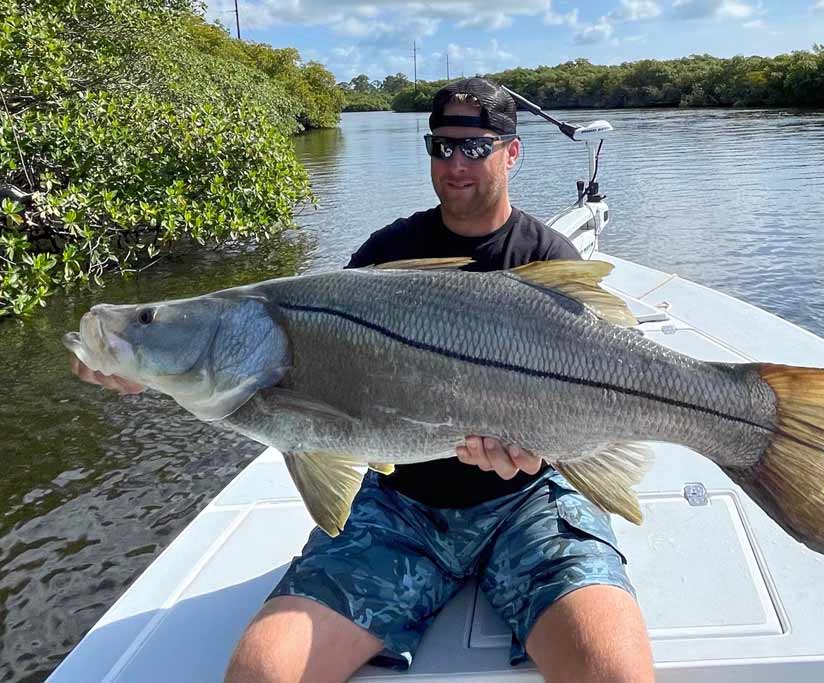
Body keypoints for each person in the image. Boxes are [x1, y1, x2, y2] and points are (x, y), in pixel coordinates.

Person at [72, 78, 655, 683]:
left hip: (526, 502)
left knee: (614, 673)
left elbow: (602, 371)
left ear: (512, 152)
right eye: (440, 146)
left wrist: (537, 458)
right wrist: (136, 365)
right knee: (262, 674)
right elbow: (296, 424)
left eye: (475, 147)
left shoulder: (548, 257)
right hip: (400, 506)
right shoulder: (384, 253)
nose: (455, 164)